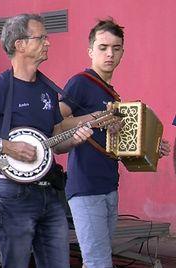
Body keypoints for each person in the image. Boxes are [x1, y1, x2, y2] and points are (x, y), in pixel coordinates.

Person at [0, 14, 93, 268]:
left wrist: (74, 140)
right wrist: (6, 146)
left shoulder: (48, 89)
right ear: (20, 44)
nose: (48, 42)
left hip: (49, 190)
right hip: (11, 193)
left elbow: (54, 142)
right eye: (41, 37)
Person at [59, 19, 171, 268]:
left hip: (109, 186)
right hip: (85, 187)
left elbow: (118, 144)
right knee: (98, 262)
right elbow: (56, 123)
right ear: (90, 51)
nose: (110, 53)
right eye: (102, 47)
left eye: (116, 48)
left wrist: (153, 148)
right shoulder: (81, 82)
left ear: (122, 52)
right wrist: (95, 118)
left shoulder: (111, 94)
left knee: (99, 261)